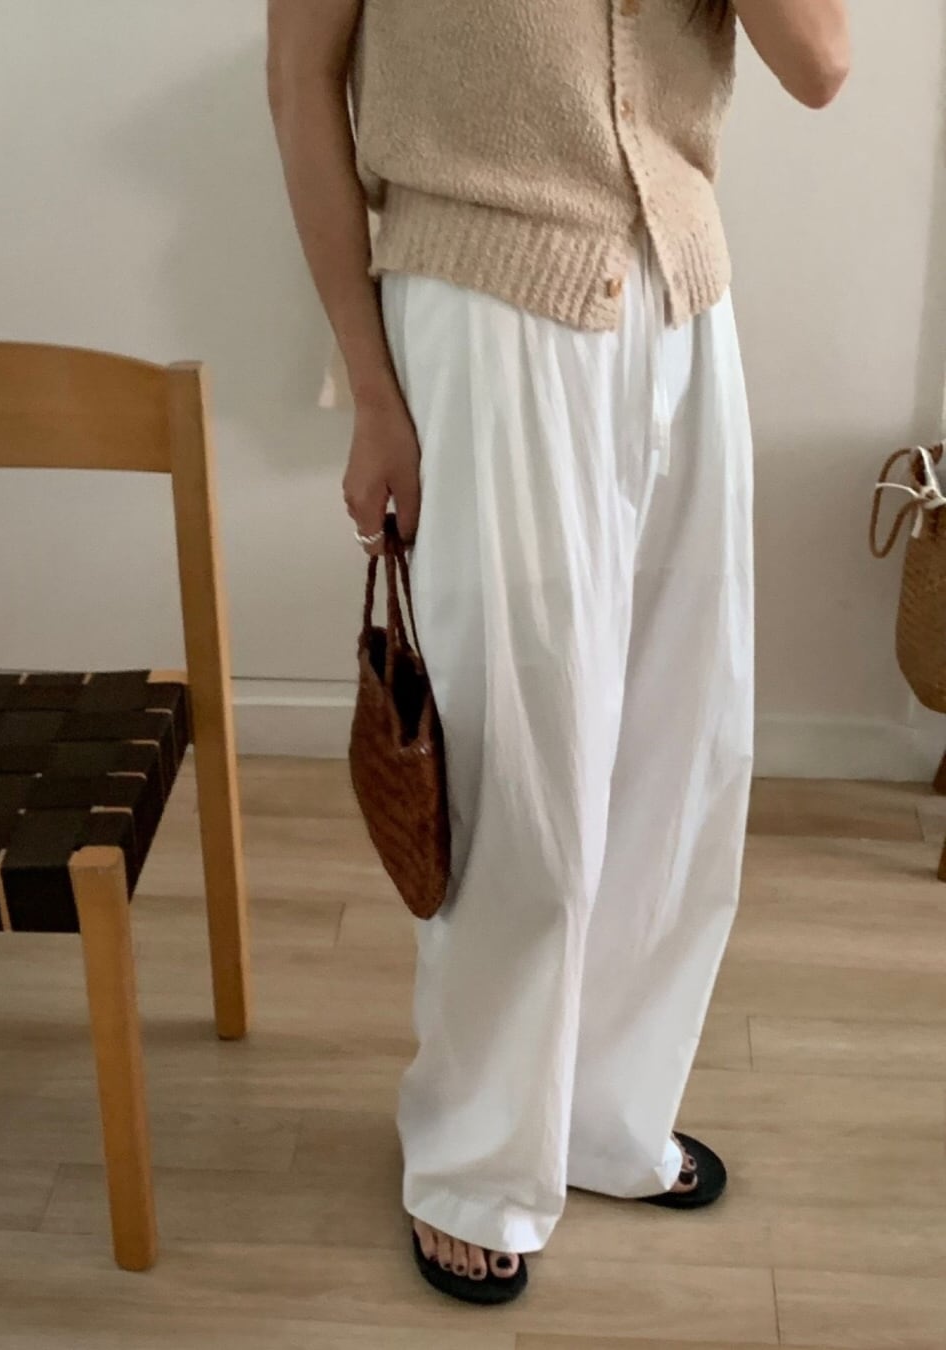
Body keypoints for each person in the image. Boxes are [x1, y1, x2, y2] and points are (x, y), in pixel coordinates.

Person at [268, 0, 850, 1307]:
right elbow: (299, 79)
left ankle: (603, 1113)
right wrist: (371, 389)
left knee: (685, 746)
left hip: (686, 301)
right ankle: (472, 1162)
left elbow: (821, 65)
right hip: (485, 308)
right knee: (520, 767)